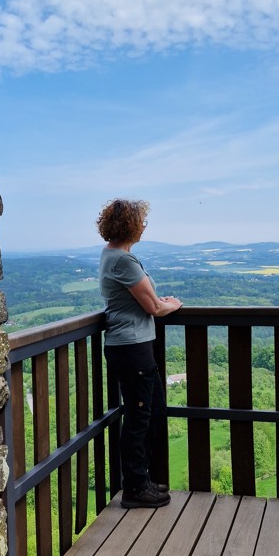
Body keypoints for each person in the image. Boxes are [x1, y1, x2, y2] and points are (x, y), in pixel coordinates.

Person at [97, 198, 182, 508]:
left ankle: (141, 481)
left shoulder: (110, 256)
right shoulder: (123, 261)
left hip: (130, 348)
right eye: (142, 222)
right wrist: (174, 305)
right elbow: (154, 307)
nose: (144, 227)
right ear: (131, 225)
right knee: (139, 417)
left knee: (152, 411)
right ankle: (134, 488)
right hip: (132, 348)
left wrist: (160, 303)